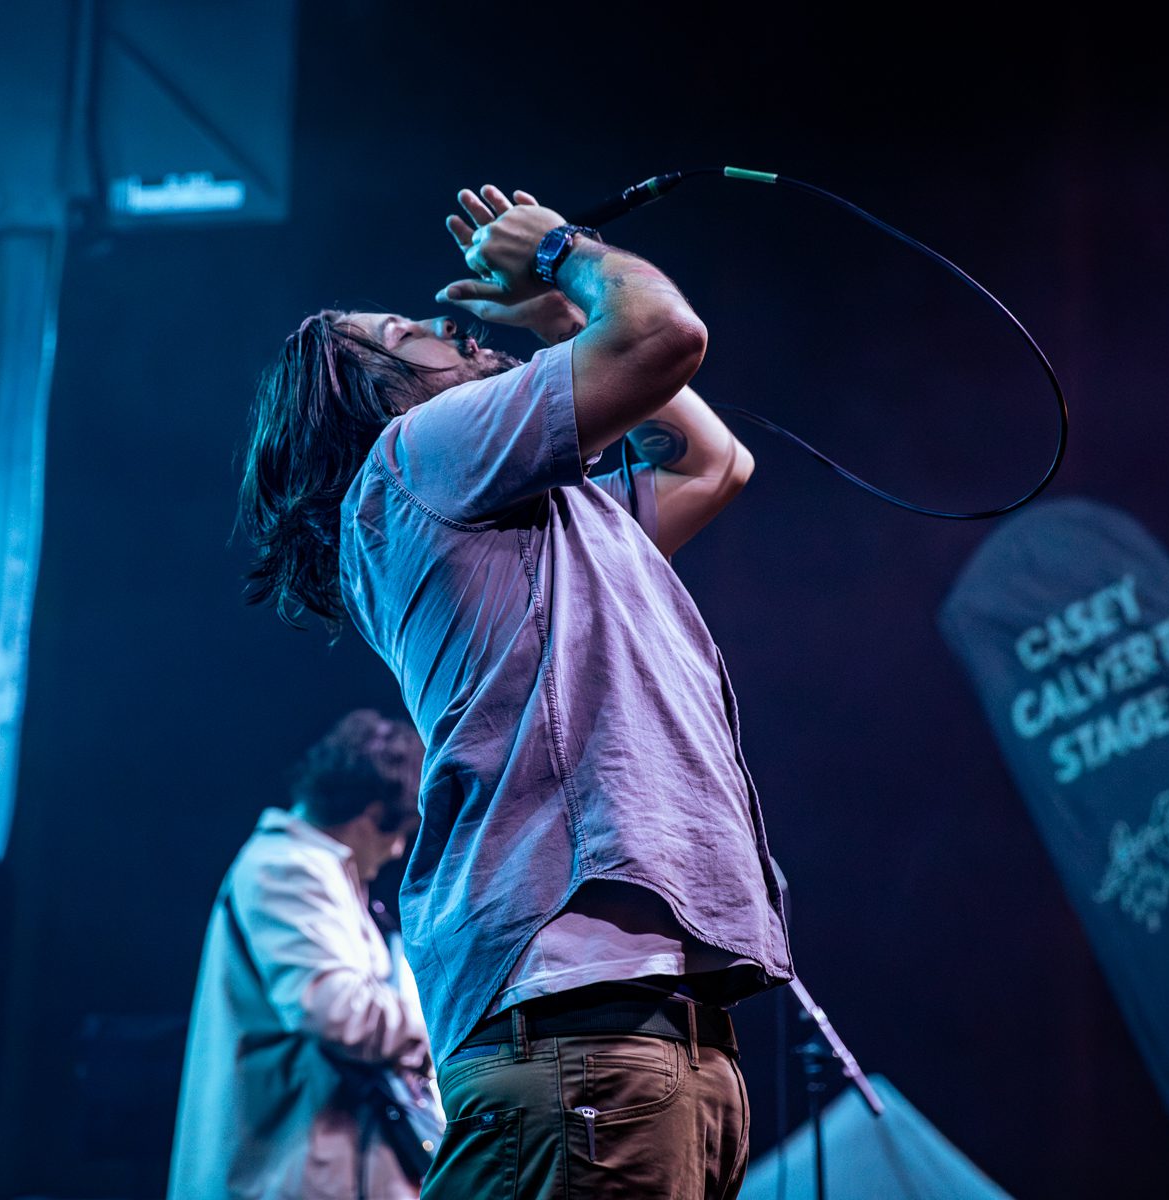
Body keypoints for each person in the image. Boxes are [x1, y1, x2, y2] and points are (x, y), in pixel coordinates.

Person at [238, 185, 791, 1198]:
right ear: (372, 399)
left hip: (636, 1046)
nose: (448, 327)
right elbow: (664, 336)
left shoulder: (537, 519)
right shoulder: (416, 456)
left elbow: (714, 465)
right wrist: (565, 252)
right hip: (584, 1040)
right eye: (406, 335)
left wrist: (560, 320)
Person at [168, 709, 431, 1200]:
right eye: (398, 831)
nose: (399, 850)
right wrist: (438, 1022)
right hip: (289, 1177)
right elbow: (336, 1010)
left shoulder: (318, 871)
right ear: (371, 813)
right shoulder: (286, 867)